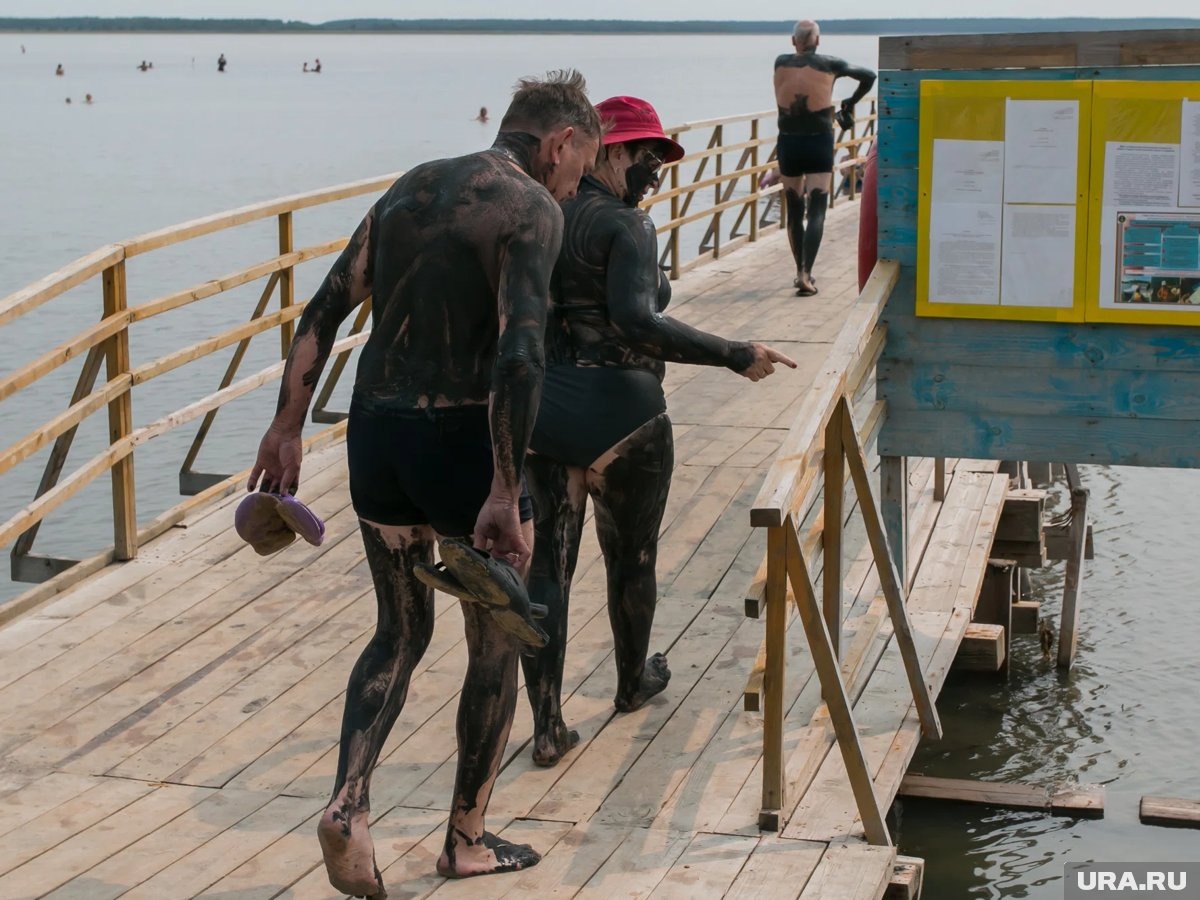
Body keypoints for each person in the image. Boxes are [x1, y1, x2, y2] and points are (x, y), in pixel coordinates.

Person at [246, 69, 600, 895]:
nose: (575, 184)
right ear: (561, 142)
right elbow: (519, 350)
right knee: (497, 635)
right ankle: (467, 839)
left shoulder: (411, 189)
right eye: (581, 168)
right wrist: (507, 490)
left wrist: (288, 426)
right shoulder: (531, 208)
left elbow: (324, 311)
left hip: (376, 433)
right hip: (465, 441)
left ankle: (347, 804)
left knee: (398, 633)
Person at [521, 95, 798, 766]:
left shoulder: (538, 213)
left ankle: (548, 724)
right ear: (611, 151)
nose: (658, 174)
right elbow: (638, 321)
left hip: (547, 413)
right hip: (625, 413)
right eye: (649, 159)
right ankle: (630, 680)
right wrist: (734, 352)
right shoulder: (625, 226)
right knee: (632, 558)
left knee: (548, 572)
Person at [774, 19, 875, 296]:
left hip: (788, 142)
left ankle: (799, 271)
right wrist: (850, 104)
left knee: (794, 210)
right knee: (817, 209)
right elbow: (869, 76)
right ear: (817, 41)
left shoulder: (780, 62)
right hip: (818, 142)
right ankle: (807, 274)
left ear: (793, 41)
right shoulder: (830, 64)